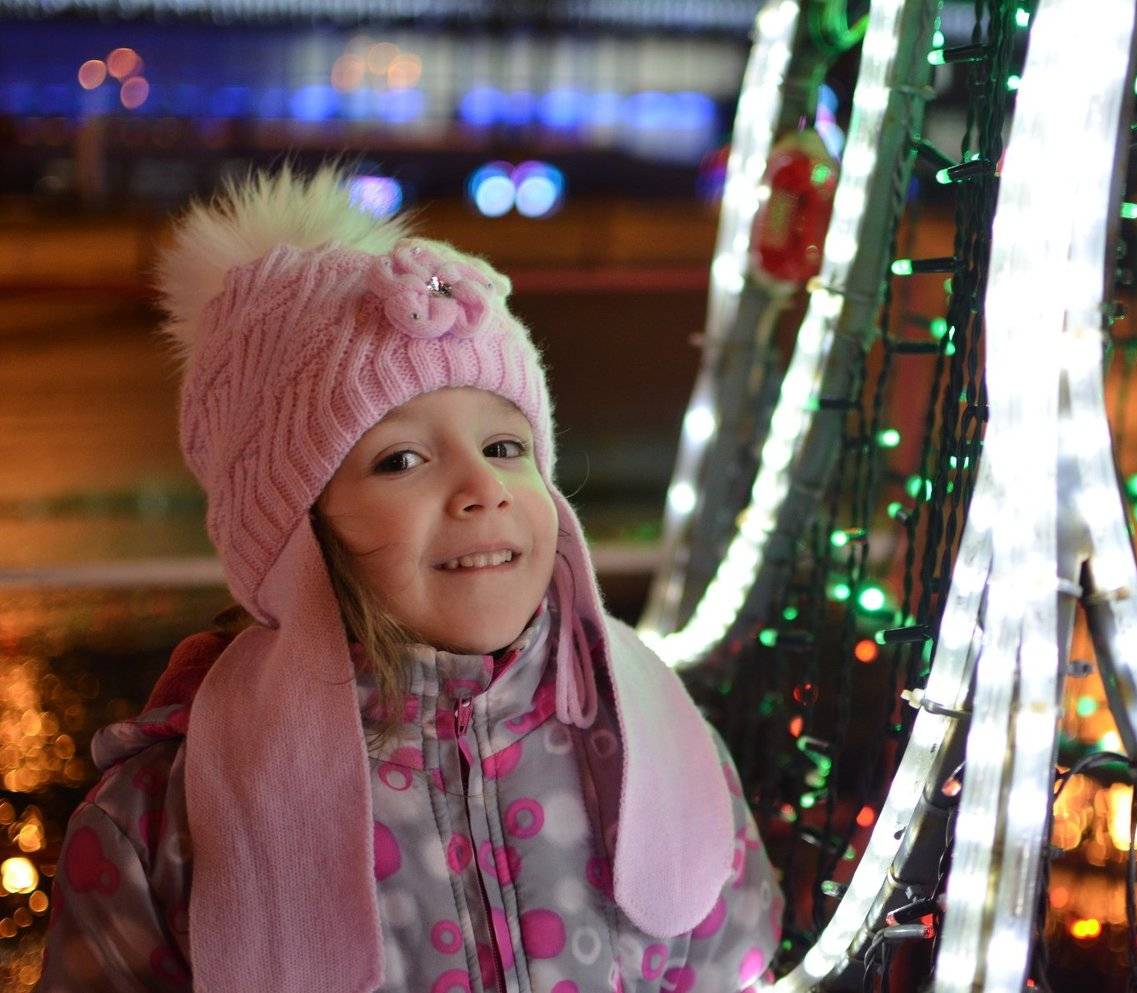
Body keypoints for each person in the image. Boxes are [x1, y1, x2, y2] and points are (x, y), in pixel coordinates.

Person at [36, 163, 784, 992]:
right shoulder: (168, 822)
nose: (483, 487)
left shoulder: (649, 744)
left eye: (505, 446)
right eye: (401, 459)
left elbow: (735, 958)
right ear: (294, 533)